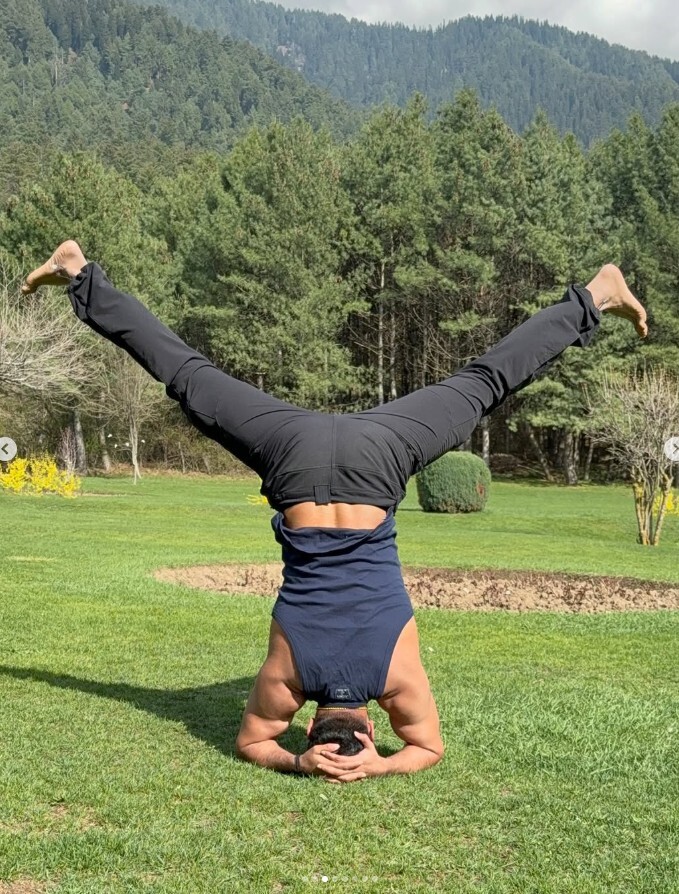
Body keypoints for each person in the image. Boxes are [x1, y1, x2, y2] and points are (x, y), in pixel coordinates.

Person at [23, 241, 648, 782]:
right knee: (186, 372)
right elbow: (253, 743)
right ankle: (79, 273)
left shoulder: (396, 678)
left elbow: (428, 749)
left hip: (380, 457)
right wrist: (297, 761)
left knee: (484, 382)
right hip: (291, 456)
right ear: (311, 722)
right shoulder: (288, 678)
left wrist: (380, 766)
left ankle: (594, 295)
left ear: (371, 727)